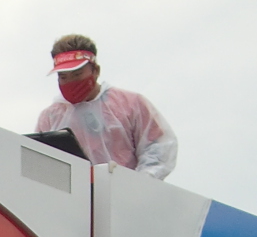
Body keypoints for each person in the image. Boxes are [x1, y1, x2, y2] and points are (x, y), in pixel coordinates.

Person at [33, 34, 177, 179]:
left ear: (95, 71)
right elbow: (37, 161)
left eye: (77, 74)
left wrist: (138, 184)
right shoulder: (50, 117)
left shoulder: (130, 104)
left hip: (122, 194)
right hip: (70, 198)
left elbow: (158, 149)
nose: (70, 82)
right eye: (63, 77)